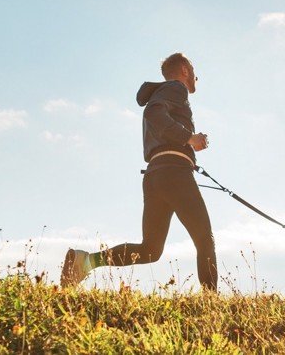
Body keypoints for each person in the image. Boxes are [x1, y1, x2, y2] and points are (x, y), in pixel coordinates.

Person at [60, 52, 218, 291]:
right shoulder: (176, 88)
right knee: (204, 238)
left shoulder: (164, 92)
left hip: (156, 175)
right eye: (193, 71)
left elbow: (156, 115)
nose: (196, 77)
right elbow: (153, 113)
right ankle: (210, 302)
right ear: (185, 70)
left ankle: (86, 261)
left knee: (151, 250)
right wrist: (189, 138)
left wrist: (188, 143)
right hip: (174, 173)